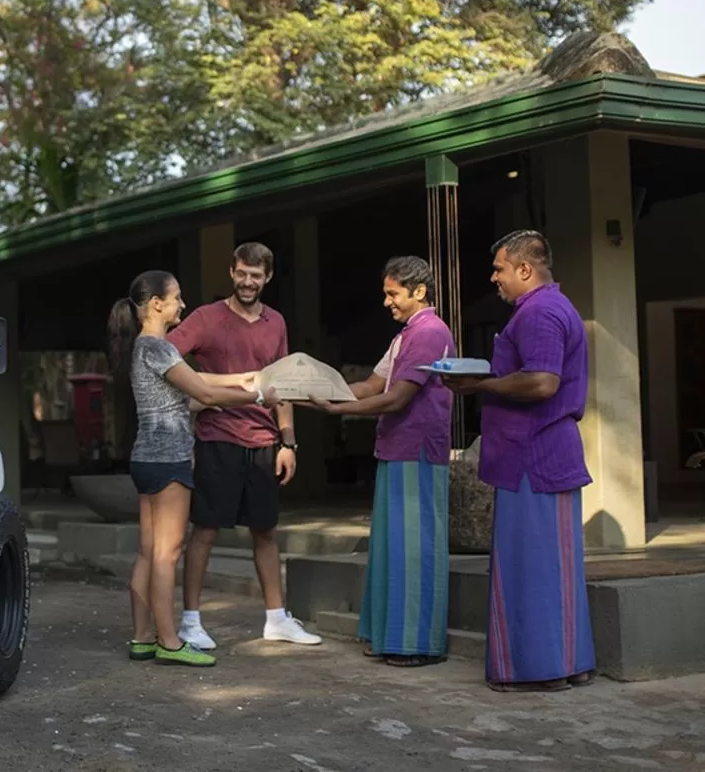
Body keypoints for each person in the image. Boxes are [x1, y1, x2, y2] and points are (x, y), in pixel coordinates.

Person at [442, 230, 597, 692]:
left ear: (524, 269)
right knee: (557, 566)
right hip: (552, 452)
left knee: (526, 567)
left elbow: (542, 382)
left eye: (499, 269)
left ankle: (537, 669)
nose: (494, 278)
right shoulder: (558, 306)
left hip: (532, 455)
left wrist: (480, 385)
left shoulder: (538, 312)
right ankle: (569, 663)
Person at [108, 269, 279, 667]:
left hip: (147, 456)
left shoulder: (146, 348)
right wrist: (256, 394)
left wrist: (247, 378)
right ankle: (170, 642)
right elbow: (201, 390)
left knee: (148, 553)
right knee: (168, 554)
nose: (183, 304)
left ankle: (142, 638)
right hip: (169, 458)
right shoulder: (159, 346)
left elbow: (199, 385)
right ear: (156, 304)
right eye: (177, 298)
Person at [166, 242, 322, 648]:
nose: (247, 281)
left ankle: (276, 619)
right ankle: (190, 622)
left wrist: (288, 442)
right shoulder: (205, 318)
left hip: (264, 441)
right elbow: (165, 357)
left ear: (268, 277)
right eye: (241, 273)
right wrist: (200, 392)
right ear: (232, 272)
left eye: (256, 275)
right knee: (205, 530)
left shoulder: (276, 323)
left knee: (265, 531)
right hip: (217, 437)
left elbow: (282, 384)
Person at [305, 256, 454, 667]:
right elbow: (372, 384)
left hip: (417, 450)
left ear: (418, 292)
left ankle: (415, 643)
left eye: (393, 293)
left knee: (414, 548)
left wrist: (338, 411)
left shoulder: (428, 332)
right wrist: (321, 391)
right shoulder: (406, 335)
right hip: (397, 448)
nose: (387, 302)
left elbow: (397, 397)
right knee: (394, 547)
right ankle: (392, 636)